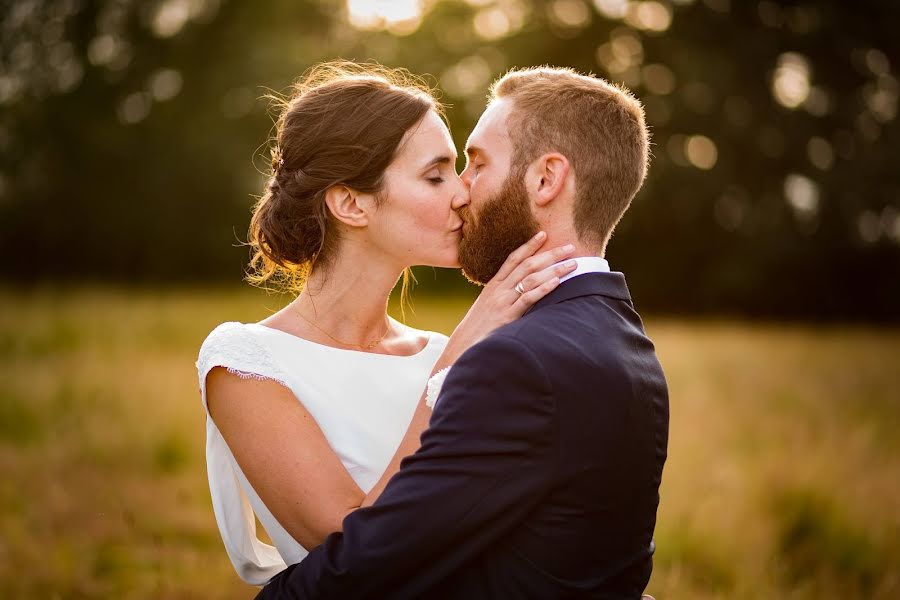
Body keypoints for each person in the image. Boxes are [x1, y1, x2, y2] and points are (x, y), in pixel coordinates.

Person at [257, 66, 669, 599]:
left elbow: (373, 566)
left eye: (475, 165)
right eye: (441, 174)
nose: (460, 192)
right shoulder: (627, 343)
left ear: (546, 179)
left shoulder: (518, 361)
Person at [195, 62, 577, 585]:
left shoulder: (444, 351)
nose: (463, 194)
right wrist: (457, 359)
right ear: (352, 203)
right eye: (434, 175)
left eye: (459, 170)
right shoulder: (244, 364)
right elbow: (353, 552)